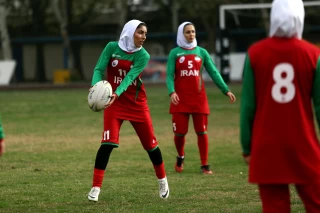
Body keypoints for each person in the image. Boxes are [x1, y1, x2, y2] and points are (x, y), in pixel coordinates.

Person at [240, 0, 320, 212]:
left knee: (275, 208)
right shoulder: (313, 54)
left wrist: (247, 146)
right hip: (304, 144)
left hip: (267, 147)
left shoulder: (255, 53)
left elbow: (248, 106)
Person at [87, 20, 169, 202]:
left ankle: (162, 180)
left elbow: (131, 77)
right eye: (140, 32)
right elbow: (99, 68)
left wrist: (116, 92)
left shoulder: (143, 56)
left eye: (145, 33)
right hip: (113, 104)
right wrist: (95, 86)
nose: (144, 37)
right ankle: (95, 187)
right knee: (107, 143)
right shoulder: (111, 47)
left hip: (136, 104)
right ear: (130, 32)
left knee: (151, 145)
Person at [166, 22, 236, 175]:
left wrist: (226, 90)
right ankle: (180, 156)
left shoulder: (202, 52)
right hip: (180, 100)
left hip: (199, 99)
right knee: (179, 134)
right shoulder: (174, 53)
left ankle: (204, 165)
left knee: (202, 132)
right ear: (181, 34)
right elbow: (170, 75)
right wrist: (172, 92)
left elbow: (214, 72)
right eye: (187, 32)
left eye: (193, 31)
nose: (191, 34)